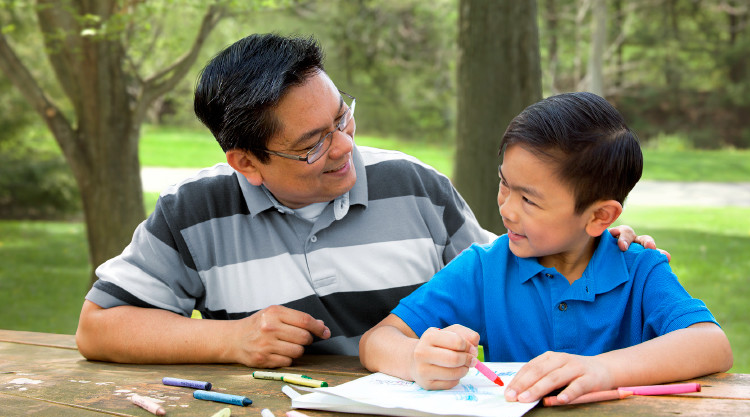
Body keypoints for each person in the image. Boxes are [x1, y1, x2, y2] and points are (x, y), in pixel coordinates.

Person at [75, 34, 656, 368]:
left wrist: (602, 242)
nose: (344, 147)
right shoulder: (192, 211)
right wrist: (228, 339)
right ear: (246, 163)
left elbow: (515, 265)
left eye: (341, 118)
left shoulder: (415, 186)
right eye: (313, 144)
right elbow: (98, 328)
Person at [359, 92, 732, 405]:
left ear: (600, 215)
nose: (506, 209)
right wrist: (416, 359)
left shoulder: (639, 268)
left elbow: (711, 344)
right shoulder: (485, 269)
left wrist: (601, 369)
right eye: (505, 184)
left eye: (530, 201)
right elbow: (377, 342)